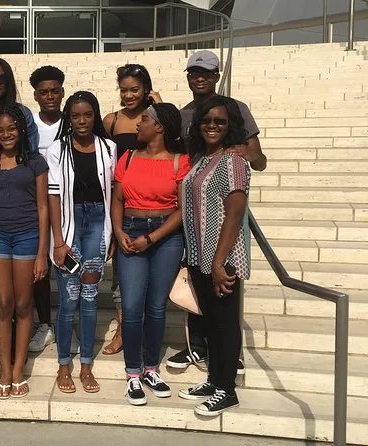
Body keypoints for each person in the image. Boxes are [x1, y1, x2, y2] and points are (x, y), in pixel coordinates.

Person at [166, 50, 266, 373]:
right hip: (193, 207)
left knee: (223, 287)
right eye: (194, 72)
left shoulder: (235, 109)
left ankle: (227, 358)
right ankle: (198, 346)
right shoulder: (184, 114)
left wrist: (239, 153)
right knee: (197, 280)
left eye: (206, 73)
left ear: (216, 77)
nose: (200, 78)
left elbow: (260, 159)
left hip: (220, 204)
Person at [111, 103, 190, 406]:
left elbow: (182, 210)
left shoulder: (180, 161)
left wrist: (152, 238)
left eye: (144, 119)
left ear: (159, 127)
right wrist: (119, 232)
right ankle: (133, 372)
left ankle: (151, 369)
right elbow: (117, 199)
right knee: (132, 307)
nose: (137, 124)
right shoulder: (128, 157)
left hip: (166, 236)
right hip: (131, 231)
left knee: (156, 307)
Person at [178, 95, 251, 417]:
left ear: (230, 125)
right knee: (210, 322)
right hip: (200, 257)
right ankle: (214, 380)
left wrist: (220, 263)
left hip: (223, 258)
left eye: (220, 121)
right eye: (207, 120)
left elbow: (234, 214)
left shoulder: (232, 161)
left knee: (224, 323)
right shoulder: (203, 159)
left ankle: (227, 389)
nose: (212, 126)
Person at [0, 105, 49, 399]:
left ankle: (19, 369)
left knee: (23, 303)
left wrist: (42, 252)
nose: (6, 135)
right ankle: (4, 371)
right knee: (3, 303)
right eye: (0, 130)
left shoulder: (35, 162)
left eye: (11, 129)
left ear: (21, 130)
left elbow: (43, 207)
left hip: (27, 236)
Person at [46, 91, 116, 394]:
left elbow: (114, 193)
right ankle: (64, 364)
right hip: (70, 226)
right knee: (68, 299)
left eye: (88, 114)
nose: (82, 121)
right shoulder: (57, 149)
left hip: (98, 226)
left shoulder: (109, 147)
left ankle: (86, 364)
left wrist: (112, 234)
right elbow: (53, 195)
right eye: (75, 116)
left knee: (89, 297)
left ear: (95, 115)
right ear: (69, 119)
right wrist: (58, 241)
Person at [101, 64, 161, 356]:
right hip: (121, 202)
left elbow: (174, 147)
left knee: (154, 273)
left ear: (146, 89)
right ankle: (124, 329)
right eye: (123, 90)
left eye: (134, 90)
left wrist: (160, 108)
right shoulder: (111, 121)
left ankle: (147, 328)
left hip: (155, 202)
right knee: (121, 273)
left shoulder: (156, 117)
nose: (128, 95)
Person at [27, 65, 65, 353]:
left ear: (62, 92)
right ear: (36, 96)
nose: (50, 96)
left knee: (65, 266)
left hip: (66, 204)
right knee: (38, 270)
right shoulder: (30, 126)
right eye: (43, 92)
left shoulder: (73, 120)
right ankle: (44, 324)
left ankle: (66, 323)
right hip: (34, 203)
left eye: (54, 91)